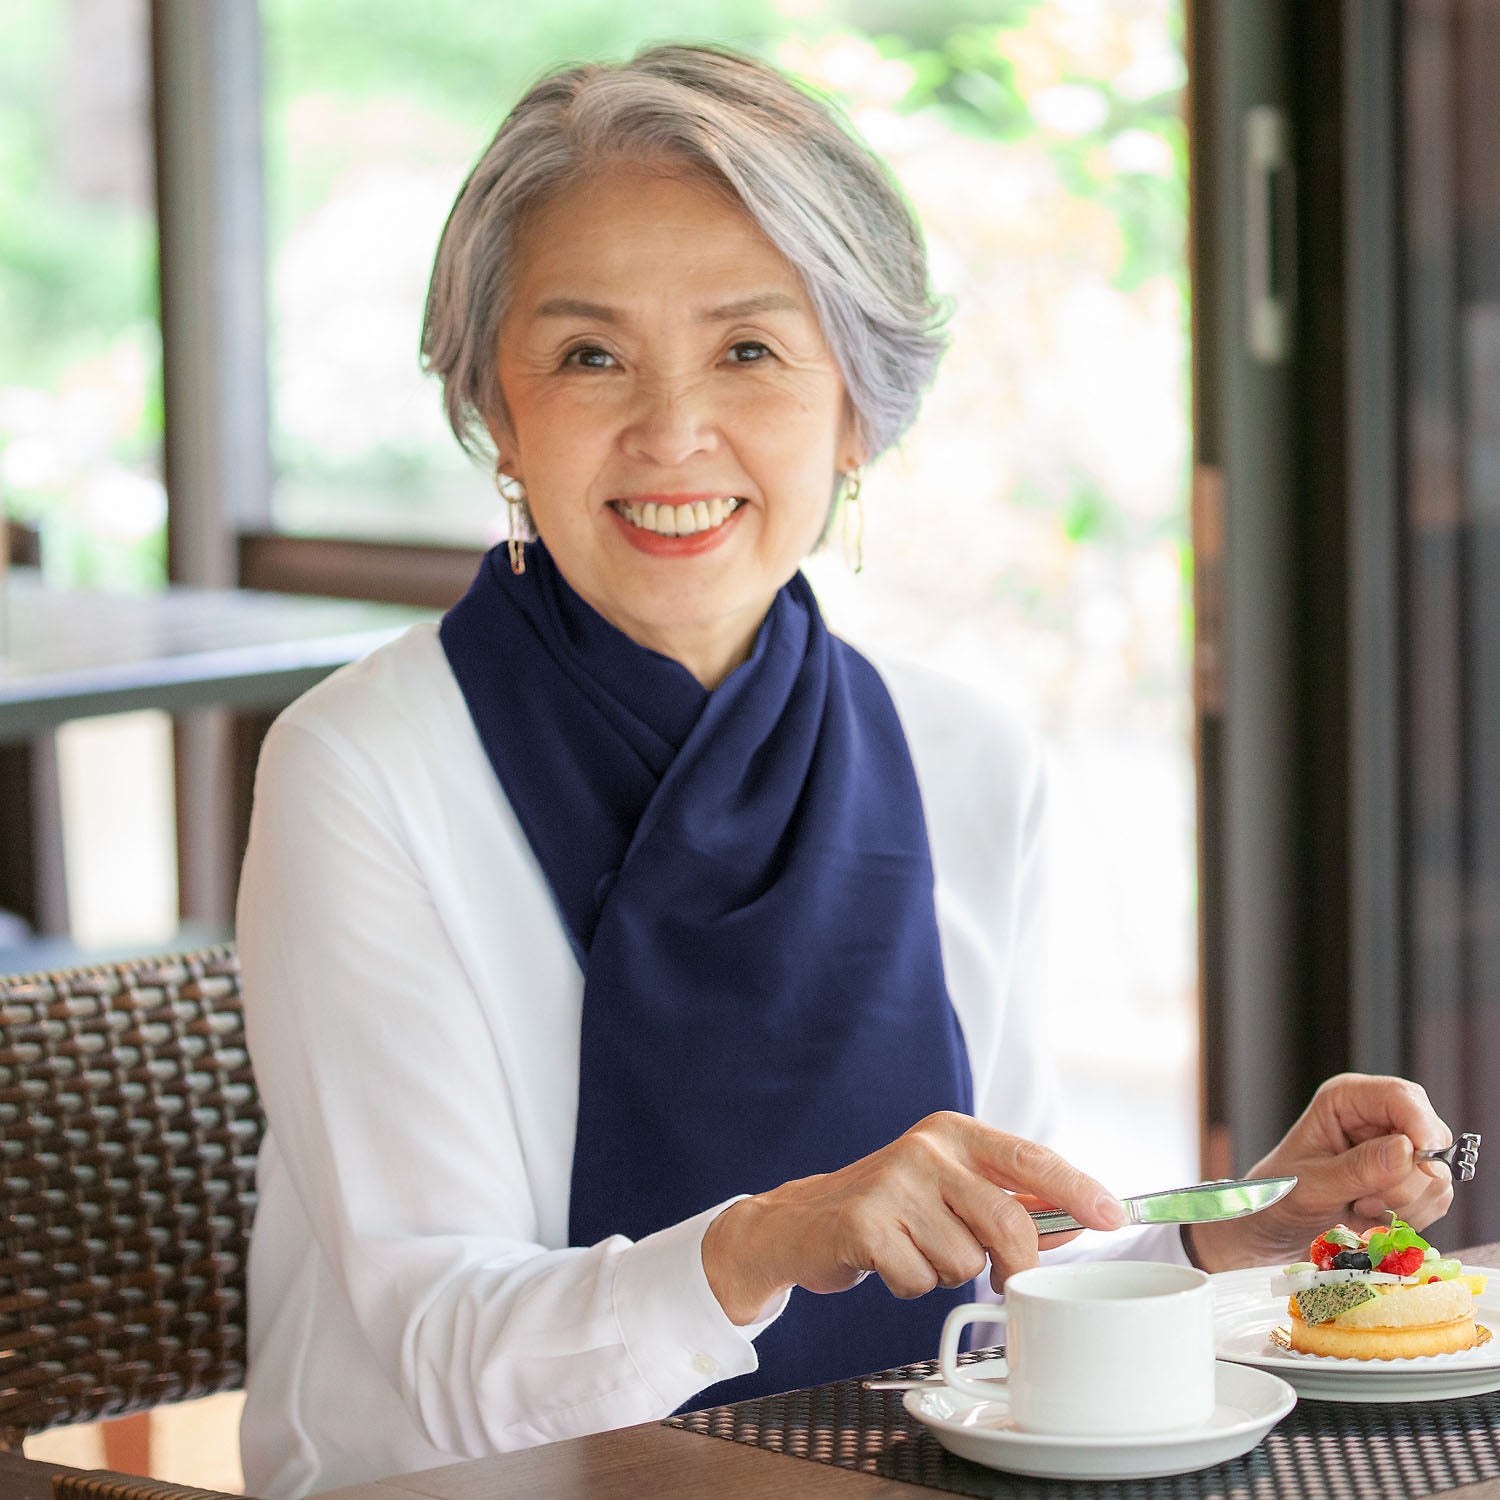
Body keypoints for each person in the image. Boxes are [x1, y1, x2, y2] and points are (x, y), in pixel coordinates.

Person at [236, 43, 1456, 1500]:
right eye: (587, 355)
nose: (673, 432)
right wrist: (772, 1240)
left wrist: (1235, 1220)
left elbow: (997, 1249)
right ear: (498, 413)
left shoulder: (966, 754)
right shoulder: (363, 771)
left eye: (750, 351)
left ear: (858, 408)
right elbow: (442, 1357)